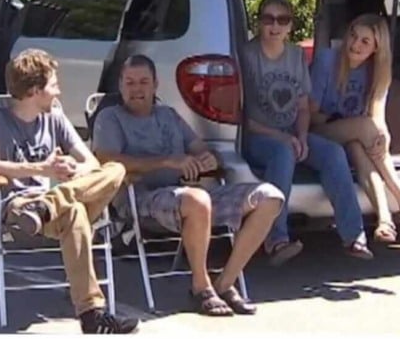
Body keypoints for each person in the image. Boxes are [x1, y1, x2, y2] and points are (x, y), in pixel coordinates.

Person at [93, 55, 284, 317]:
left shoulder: (168, 115)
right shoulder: (110, 117)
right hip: (140, 200)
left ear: (155, 84)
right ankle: (200, 287)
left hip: (187, 196)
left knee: (270, 197)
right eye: (130, 82)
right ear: (121, 85)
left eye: (144, 82)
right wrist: (168, 161)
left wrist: (207, 159)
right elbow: (106, 159)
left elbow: (201, 149)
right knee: (196, 200)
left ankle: (224, 283)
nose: (137, 89)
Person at [0, 48, 139, 334]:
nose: (59, 92)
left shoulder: (55, 118)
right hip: (21, 208)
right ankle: (91, 315)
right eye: (53, 85)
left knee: (116, 170)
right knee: (73, 211)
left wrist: (70, 167)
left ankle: (50, 203)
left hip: (56, 202)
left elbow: (93, 164)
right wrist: (41, 170)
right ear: (35, 90)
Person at [240, 0, 372, 264]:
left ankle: (354, 236)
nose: (275, 26)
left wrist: (301, 135)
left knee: (333, 153)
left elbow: (302, 106)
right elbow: (243, 117)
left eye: (282, 19)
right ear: (259, 22)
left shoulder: (296, 55)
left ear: (290, 25)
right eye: (268, 19)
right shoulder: (246, 55)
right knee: (283, 153)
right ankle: (276, 239)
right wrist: (284, 138)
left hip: (292, 133)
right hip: (258, 136)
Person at [309, 13, 400, 242]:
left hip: (355, 135)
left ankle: (385, 220)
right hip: (319, 129)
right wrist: (359, 127)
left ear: (376, 48)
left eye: (365, 41)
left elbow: (377, 112)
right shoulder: (327, 60)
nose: (355, 44)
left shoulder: (378, 70)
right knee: (365, 130)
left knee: (360, 147)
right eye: (353, 36)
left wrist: (383, 137)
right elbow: (312, 114)